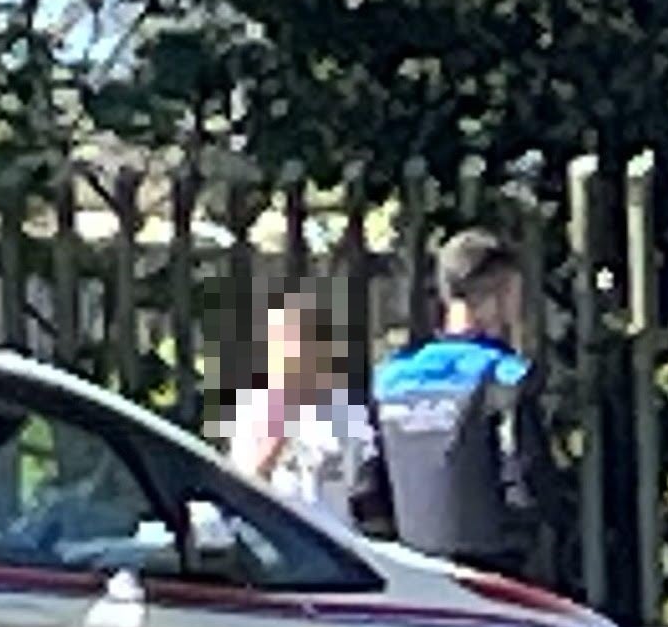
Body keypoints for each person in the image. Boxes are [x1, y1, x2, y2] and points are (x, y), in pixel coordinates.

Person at [352, 230, 553, 582]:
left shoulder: (390, 378)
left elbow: (367, 488)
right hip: (494, 576)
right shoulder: (505, 376)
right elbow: (526, 478)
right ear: (500, 292)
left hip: (412, 576)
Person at [229, 292, 369, 533]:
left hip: (338, 544)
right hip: (281, 544)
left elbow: (361, 485)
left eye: (298, 342)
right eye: (279, 343)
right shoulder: (252, 409)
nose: (288, 354)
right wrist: (277, 434)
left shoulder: (345, 409)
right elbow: (242, 490)